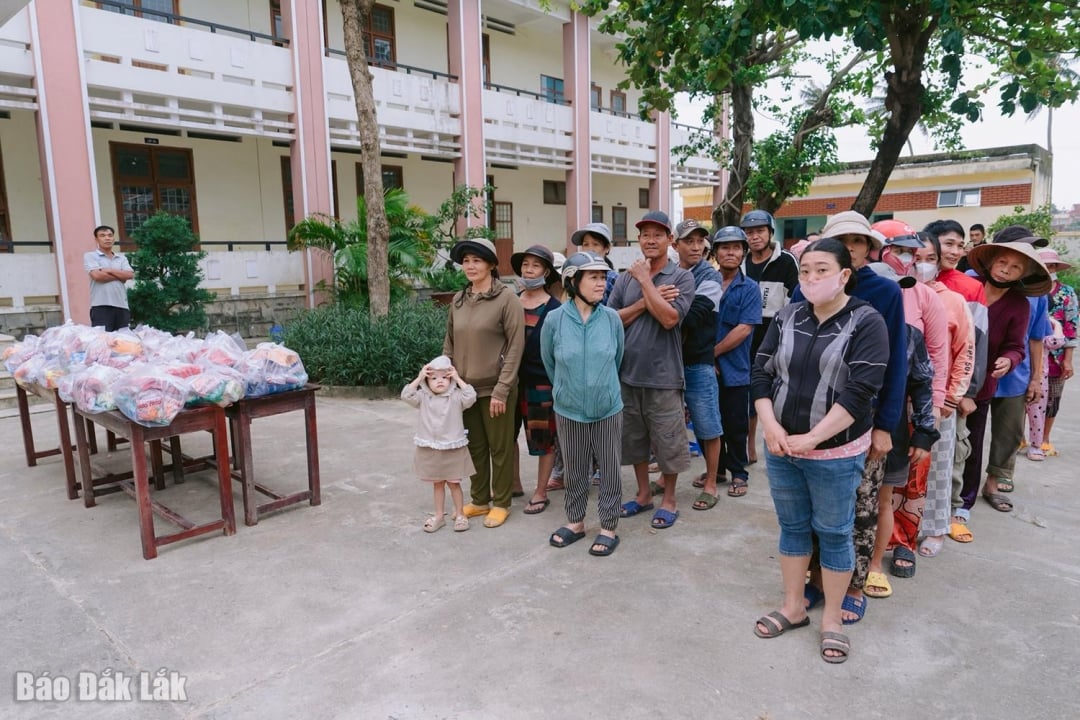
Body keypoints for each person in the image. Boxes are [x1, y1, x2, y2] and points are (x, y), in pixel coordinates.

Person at [751, 237, 889, 664]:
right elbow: (761, 372)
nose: (811, 278)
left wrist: (813, 438)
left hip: (835, 452)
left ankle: (831, 618)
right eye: (805, 270)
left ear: (844, 275)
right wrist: (771, 427)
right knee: (792, 528)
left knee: (834, 532)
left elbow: (861, 392)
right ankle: (794, 606)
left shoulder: (866, 322)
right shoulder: (789, 315)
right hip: (781, 446)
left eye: (822, 270)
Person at [793, 211, 908, 625]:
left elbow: (897, 366)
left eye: (858, 243)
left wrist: (885, 425)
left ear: (868, 249)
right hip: (807, 420)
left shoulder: (886, 294)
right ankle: (816, 579)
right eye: (842, 243)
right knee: (810, 509)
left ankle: (855, 584)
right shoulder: (804, 289)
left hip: (860, 423)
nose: (851, 250)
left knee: (858, 510)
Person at [867, 219, 948, 585]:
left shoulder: (921, 301)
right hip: (849, 418)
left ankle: (890, 553)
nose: (909, 259)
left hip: (900, 413)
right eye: (899, 250)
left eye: (911, 253)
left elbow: (929, 366)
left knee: (897, 488)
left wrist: (928, 422)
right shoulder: (851, 299)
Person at [607, 210, 695, 529]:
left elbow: (670, 319)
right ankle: (643, 495)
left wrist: (646, 281)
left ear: (670, 240)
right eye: (645, 235)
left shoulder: (681, 277)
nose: (651, 240)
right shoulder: (624, 277)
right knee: (634, 441)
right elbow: (612, 319)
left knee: (668, 441)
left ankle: (668, 499)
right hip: (627, 374)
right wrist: (648, 300)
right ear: (639, 239)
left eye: (658, 235)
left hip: (664, 375)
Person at [959, 240, 1051, 521]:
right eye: (1002, 263)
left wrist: (1009, 359)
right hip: (950, 379)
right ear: (990, 261)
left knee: (971, 444)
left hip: (981, 384)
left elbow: (1018, 345)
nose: (1005, 270)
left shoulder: (1019, 305)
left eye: (1015, 267)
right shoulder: (966, 287)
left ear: (1023, 275)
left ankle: (964, 501)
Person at [541, 252, 625, 556]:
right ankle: (575, 522)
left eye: (603, 277)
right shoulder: (554, 320)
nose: (601, 283)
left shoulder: (612, 319)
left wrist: (600, 388)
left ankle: (608, 526)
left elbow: (618, 360)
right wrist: (568, 390)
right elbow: (550, 363)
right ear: (573, 281)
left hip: (607, 408)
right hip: (568, 408)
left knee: (610, 468)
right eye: (594, 277)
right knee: (575, 469)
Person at [443, 237, 525, 529]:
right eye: (466, 261)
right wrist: (446, 379)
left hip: (496, 389)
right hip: (465, 390)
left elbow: (516, 347)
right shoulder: (459, 299)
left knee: (499, 447)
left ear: (491, 264)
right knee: (474, 446)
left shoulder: (507, 299)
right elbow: (449, 343)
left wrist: (503, 389)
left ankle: (501, 502)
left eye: (477, 260)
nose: (470, 266)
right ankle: (479, 500)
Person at [922, 219, 988, 544]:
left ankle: (939, 522)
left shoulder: (968, 289)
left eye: (960, 245)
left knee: (948, 461)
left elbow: (973, 344)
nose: (955, 251)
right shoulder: (904, 286)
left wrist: (964, 392)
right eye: (948, 243)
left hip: (948, 392)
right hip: (910, 394)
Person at [910, 232, 975, 559]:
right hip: (900, 398)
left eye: (929, 258)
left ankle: (934, 527)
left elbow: (965, 351)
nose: (922, 264)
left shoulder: (953, 300)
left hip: (939, 400)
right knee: (902, 468)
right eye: (916, 257)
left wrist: (952, 395)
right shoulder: (898, 294)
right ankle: (899, 526)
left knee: (936, 466)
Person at [699, 226, 761, 499]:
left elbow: (744, 329)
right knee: (706, 422)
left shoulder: (749, 289)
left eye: (737, 247)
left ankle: (738, 473)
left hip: (735, 369)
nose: (731, 252)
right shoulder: (704, 283)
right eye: (725, 247)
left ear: (744, 253)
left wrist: (711, 353)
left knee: (735, 424)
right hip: (702, 368)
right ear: (715, 252)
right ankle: (717, 469)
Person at [671, 219, 725, 511]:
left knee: (708, 426)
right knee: (668, 426)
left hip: (698, 362)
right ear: (675, 244)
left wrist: (667, 302)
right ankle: (668, 482)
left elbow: (692, 316)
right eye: (688, 241)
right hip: (668, 363)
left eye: (699, 241)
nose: (695, 247)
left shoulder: (710, 277)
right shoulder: (669, 272)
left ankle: (711, 483)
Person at [740, 209, 799, 465]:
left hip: (776, 333)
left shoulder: (786, 261)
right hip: (745, 334)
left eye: (759, 231)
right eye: (750, 232)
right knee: (751, 392)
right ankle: (749, 445)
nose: (755, 237)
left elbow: (795, 302)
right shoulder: (740, 262)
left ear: (770, 232)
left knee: (776, 392)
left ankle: (780, 442)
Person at [510, 245, 562, 516]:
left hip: (541, 383)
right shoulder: (511, 301)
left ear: (546, 272)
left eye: (535, 266)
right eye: (525, 265)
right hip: (510, 382)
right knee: (508, 437)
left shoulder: (556, 309)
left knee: (543, 439)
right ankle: (515, 483)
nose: (528, 270)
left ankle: (540, 492)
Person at [401, 355, 477, 533]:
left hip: (452, 447)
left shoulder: (456, 397)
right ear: (427, 381)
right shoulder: (422, 397)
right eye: (434, 378)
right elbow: (406, 395)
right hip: (431, 447)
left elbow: (471, 396)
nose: (439, 381)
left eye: (444, 377)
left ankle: (460, 514)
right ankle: (439, 516)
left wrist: (458, 379)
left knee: (454, 483)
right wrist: (419, 378)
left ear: (450, 379)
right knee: (437, 484)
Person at [1029, 248, 1077, 456]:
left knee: (1052, 398)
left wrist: (1068, 359)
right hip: (1028, 355)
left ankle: (1044, 438)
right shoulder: (1026, 290)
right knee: (1023, 399)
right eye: (1044, 265)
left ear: (1056, 268)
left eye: (1051, 266)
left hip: (1055, 359)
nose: (1048, 270)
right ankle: (1021, 438)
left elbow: (1071, 327)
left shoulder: (1066, 293)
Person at [83, 225, 134, 331]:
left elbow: (130, 275)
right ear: (96, 239)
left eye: (110, 235)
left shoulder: (121, 258)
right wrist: (120, 276)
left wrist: (109, 270)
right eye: (102, 235)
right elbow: (97, 276)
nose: (107, 238)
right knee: (103, 342)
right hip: (101, 306)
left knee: (122, 342)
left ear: (113, 238)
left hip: (122, 306)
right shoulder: (90, 256)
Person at [570, 222, 620, 305]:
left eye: (596, 244)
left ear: (607, 248)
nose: (590, 249)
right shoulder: (575, 275)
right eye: (586, 244)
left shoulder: (614, 279)